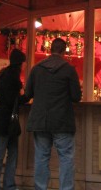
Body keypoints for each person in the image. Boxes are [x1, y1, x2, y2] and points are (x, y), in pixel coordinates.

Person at [24, 37, 82, 190]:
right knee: (66, 159)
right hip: (62, 121)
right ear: (64, 51)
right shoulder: (69, 70)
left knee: (41, 158)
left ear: (50, 50)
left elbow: (27, 93)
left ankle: (40, 187)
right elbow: (76, 97)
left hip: (40, 120)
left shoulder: (36, 69)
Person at [0, 48, 27, 190]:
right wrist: (28, 95)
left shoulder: (4, 73)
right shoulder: (13, 77)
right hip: (8, 121)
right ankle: (5, 185)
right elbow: (13, 100)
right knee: (9, 153)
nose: (24, 66)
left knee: (0, 153)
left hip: (1, 119)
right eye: (23, 63)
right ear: (20, 63)